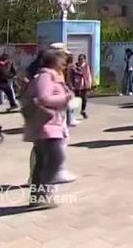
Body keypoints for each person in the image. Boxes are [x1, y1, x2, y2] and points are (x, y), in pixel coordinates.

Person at [22, 49, 73, 208]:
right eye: (62, 60)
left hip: (51, 125)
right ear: (54, 61)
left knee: (44, 162)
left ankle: (38, 197)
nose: (64, 64)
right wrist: (65, 98)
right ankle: (41, 194)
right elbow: (44, 98)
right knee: (55, 159)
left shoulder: (52, 76)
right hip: (46, 126)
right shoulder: (46, 76)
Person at [69, 54, 93, 119]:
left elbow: (88, 75)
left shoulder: (86, 66)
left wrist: (89, 84)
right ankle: (72, 114)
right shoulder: (74, 67)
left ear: (84, 60)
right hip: (77, 86)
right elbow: (71, 77)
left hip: (84, 85)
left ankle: (82, 111)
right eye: (79, 59)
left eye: (82, 59)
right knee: (77, 100)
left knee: (84, 99)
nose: (81, 60)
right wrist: (71, 85)